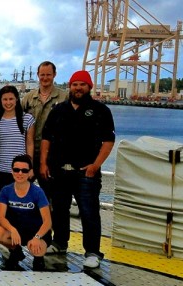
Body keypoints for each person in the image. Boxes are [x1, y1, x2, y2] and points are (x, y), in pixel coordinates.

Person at [40, 70, 114, 269]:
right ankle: (59, 243)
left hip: (85, 173)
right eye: (75, 84)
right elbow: (46, 138)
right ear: (70, 87)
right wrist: (43, 163)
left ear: (89, 87)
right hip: (59, 171)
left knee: (89, 212)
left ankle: (92, 252)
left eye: (82, 84)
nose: (78, 88)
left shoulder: (101, 111)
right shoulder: (59, 110)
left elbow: (108, 141)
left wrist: (95, 166)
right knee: (59, 209)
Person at [0, 85, 35, 257]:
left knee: (17, 210)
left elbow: (30, 143)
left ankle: (15, 247)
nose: (8, 103)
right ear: (0, 101)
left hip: (19, 173)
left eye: (11, 99)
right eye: (5, 99)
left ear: (17, 100)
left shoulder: (26, 119)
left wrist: (30, 167)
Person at [0, 154, 52, 271]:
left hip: (36, 232)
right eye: (16, 170)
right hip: (17, 230)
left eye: (24, 170)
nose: (20, 173)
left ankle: (38, 258)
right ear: (12, 171)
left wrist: (37, 237)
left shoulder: (38, 192)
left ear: (30, 172)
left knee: (38, 249)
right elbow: (0, 216)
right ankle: (16, 251)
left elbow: (47, 221)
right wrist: (12, 229)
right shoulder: (6, 190)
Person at [22, 61, 68, 202]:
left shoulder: (64, 97)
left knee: (51, 195)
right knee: (23, 192)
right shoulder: (28, 98)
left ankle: (50, 223)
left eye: (48, 74)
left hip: (51, 155)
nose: (45, 78)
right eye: (42, 75)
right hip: (29, 152)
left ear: (54, 74)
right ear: (38, 75)